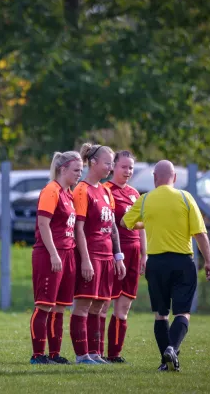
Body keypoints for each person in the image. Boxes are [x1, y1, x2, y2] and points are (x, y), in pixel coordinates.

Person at [121, 160, 210, 372]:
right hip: (182, 262)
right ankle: (172, 349)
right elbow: (200, 233)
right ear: (174, 178)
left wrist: (147, 222)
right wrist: (208, 262)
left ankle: (166, 362)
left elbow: (125, 223)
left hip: (156, 263)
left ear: (155, 178)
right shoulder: (185, 197)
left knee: (161, 314)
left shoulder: (145, 199)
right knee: (183, 312)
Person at [70, 143, 126, 365]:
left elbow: (112, 227)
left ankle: (94, 353)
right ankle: (81, 355)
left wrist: (118, 256)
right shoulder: (82, 190)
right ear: (93, 163)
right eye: (107, 163)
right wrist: (85, 259)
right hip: (91, 254)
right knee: (83, 304)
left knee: (100, 305)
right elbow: (79, 228)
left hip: (106, 257)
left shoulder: (105, 191)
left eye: (112, 163)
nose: (110, 167)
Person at [29, 150, 83, 364]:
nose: (79, 174)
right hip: (50, 253)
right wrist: (53, 253)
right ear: (63, 169)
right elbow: (43, 224)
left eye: (81, 170)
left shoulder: (68, 193)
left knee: (60, 306)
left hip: (67, 253)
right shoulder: (51, 190)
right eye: (76, 170)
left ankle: (54, 354)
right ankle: (37, 355)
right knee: (44, 304)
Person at [99, 150, 147, 363]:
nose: (128, 171)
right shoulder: (105, 190)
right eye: (124, 167)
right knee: (103, 303)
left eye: (131, 168)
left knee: (124, 305)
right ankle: (96, 353)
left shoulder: (135, 194)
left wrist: (145, 253)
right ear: (113, 167)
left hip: (134, 253)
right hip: (114, 252)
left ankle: (115, 354)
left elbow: (141, 226)